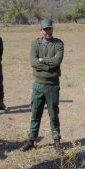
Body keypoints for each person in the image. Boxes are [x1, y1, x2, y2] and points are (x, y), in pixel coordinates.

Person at [20, 19, 64, 155]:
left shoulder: (59, 44)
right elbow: (33, 63)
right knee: (35, 113)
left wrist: (42, 60)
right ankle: (31, 140)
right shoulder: (35, 44)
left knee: (53, 115)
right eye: (45, 29)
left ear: (52, 29)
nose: (47, 32)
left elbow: (57, 61)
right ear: (41, 31)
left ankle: (56, 141)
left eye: (49, 29)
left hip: (52, 85)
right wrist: (48, 64)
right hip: (38, 84)